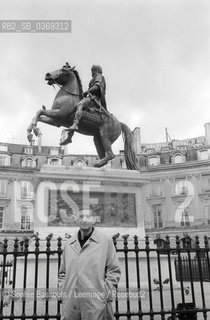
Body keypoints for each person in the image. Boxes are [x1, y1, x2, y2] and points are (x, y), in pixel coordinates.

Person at [58, 209, 121, 320]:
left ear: (94, 220)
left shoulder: (105, 241)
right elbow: (62, 273)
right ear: (76, 220)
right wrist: (63, 293)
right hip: (71, 304)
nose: (85, 220)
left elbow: (114, 270)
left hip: (96, 303)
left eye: (88, 217)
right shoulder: (68, 244)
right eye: (81, 216)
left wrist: (105, 294)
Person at [68, 65, 107, 131]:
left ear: (96, 71)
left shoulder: (99, 76)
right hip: (90, 97)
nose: (92, 72)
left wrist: (87, 92)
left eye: (92, 71)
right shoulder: (95, 77)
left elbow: (97, 86)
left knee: (80, 104)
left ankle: (75, 124)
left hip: (94, 99)